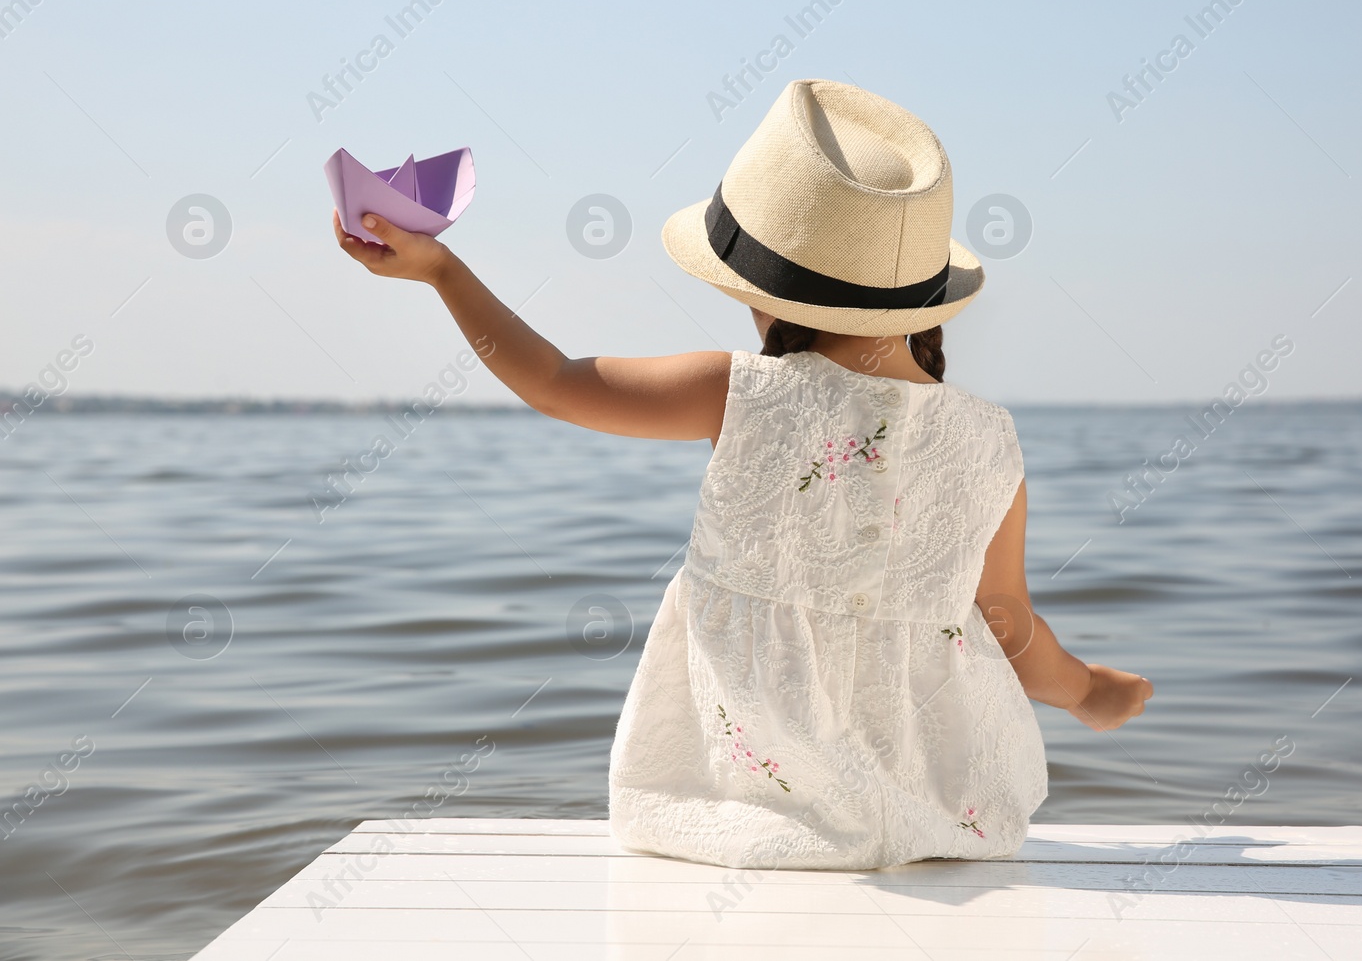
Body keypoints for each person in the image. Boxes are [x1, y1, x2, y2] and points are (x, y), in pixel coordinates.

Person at [332, 78, 1153, 870]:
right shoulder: (988, 440)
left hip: (751, 806)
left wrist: (441, 270)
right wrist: (1087, 692)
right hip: (930, 813)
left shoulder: (743, 393)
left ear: (767, 293)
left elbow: (550, 380)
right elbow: (1008, 626)